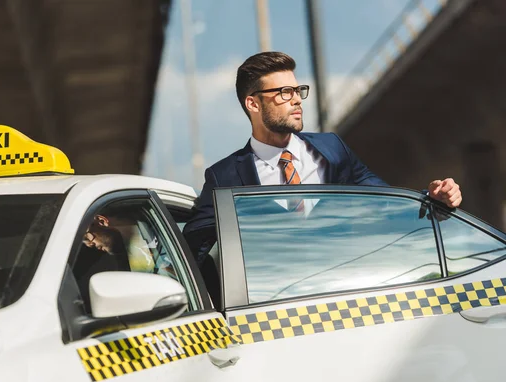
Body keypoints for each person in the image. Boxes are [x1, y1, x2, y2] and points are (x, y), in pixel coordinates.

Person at [182, 51, 463, 268]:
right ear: (253, 104)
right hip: (271, 313)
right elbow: (191, 252)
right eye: (284, 93)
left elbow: (383, 200)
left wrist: (432, 201)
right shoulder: (225, 176)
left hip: (342, 296)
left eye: (297, 90)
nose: (297, 100)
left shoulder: (332, 148)